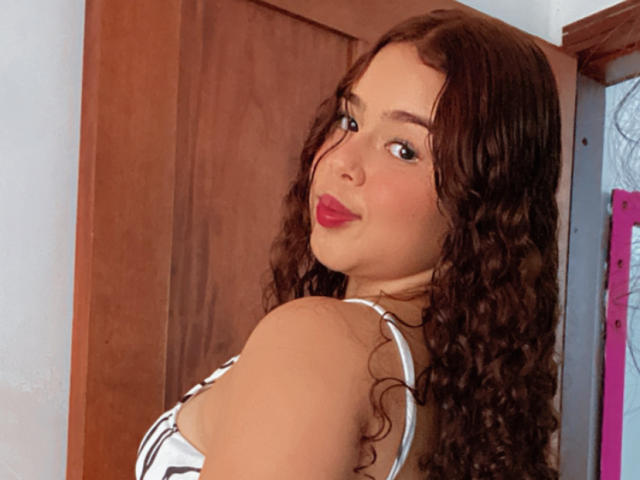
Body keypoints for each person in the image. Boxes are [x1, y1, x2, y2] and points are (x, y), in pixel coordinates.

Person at [136, 8, 561, 480]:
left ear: (480, 204)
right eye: (349, 120)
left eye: (404, 149)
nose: (343, 161)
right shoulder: (454, 388)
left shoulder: (320, 342)